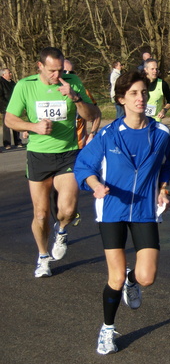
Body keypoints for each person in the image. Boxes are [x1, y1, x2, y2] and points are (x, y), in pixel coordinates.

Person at [74, 70, 170, 355]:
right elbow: (83, 166)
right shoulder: (108, 135)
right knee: (115, 277)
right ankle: (107, 330)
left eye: (143, 92)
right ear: (121, 99)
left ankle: (134, 281)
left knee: (147, 277)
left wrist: (163, 188)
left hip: (144, 209)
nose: (140, 98)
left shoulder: (161, 133)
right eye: (133, 93)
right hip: (112, 210)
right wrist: (95, 185)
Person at [4, 47, 100, 277]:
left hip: (68, 153)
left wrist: (75, 98)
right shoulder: (25, 86)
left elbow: (92, 115)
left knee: (67, 210)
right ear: (40, 67)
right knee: (40, 214)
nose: (57, 75)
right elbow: (10, 119)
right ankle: (43, 257)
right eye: (52, 71)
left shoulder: (72, 81)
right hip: (38, 155)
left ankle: (63, 230)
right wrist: (33, 127)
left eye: (60, 70)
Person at [64, 60, 101, 149]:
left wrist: (92, 134)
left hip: (80, 144)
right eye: (65, 72)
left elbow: (97, 114)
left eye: (71, 72)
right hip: (60, 144)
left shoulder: (83, 92)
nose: (68, 75)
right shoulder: (50, 92)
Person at [143, 58, 170, 122]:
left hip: (155, 121)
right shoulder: (139, 83)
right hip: (141, 120)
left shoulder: (162, 84)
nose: (155, 71)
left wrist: (164, 110)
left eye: (156, 69)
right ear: (146, 70)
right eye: (152, 69)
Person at [0, 68, 23, 149]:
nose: (11, 74)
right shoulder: (1, 83)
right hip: (5, 107)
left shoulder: (12, 83)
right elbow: (1, 97)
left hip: (14, 107)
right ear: (3, 75)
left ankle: (18, 141)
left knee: (15, 124)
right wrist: (7, 106)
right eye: (9, 73)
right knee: (6, 125)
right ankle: (7, 144)